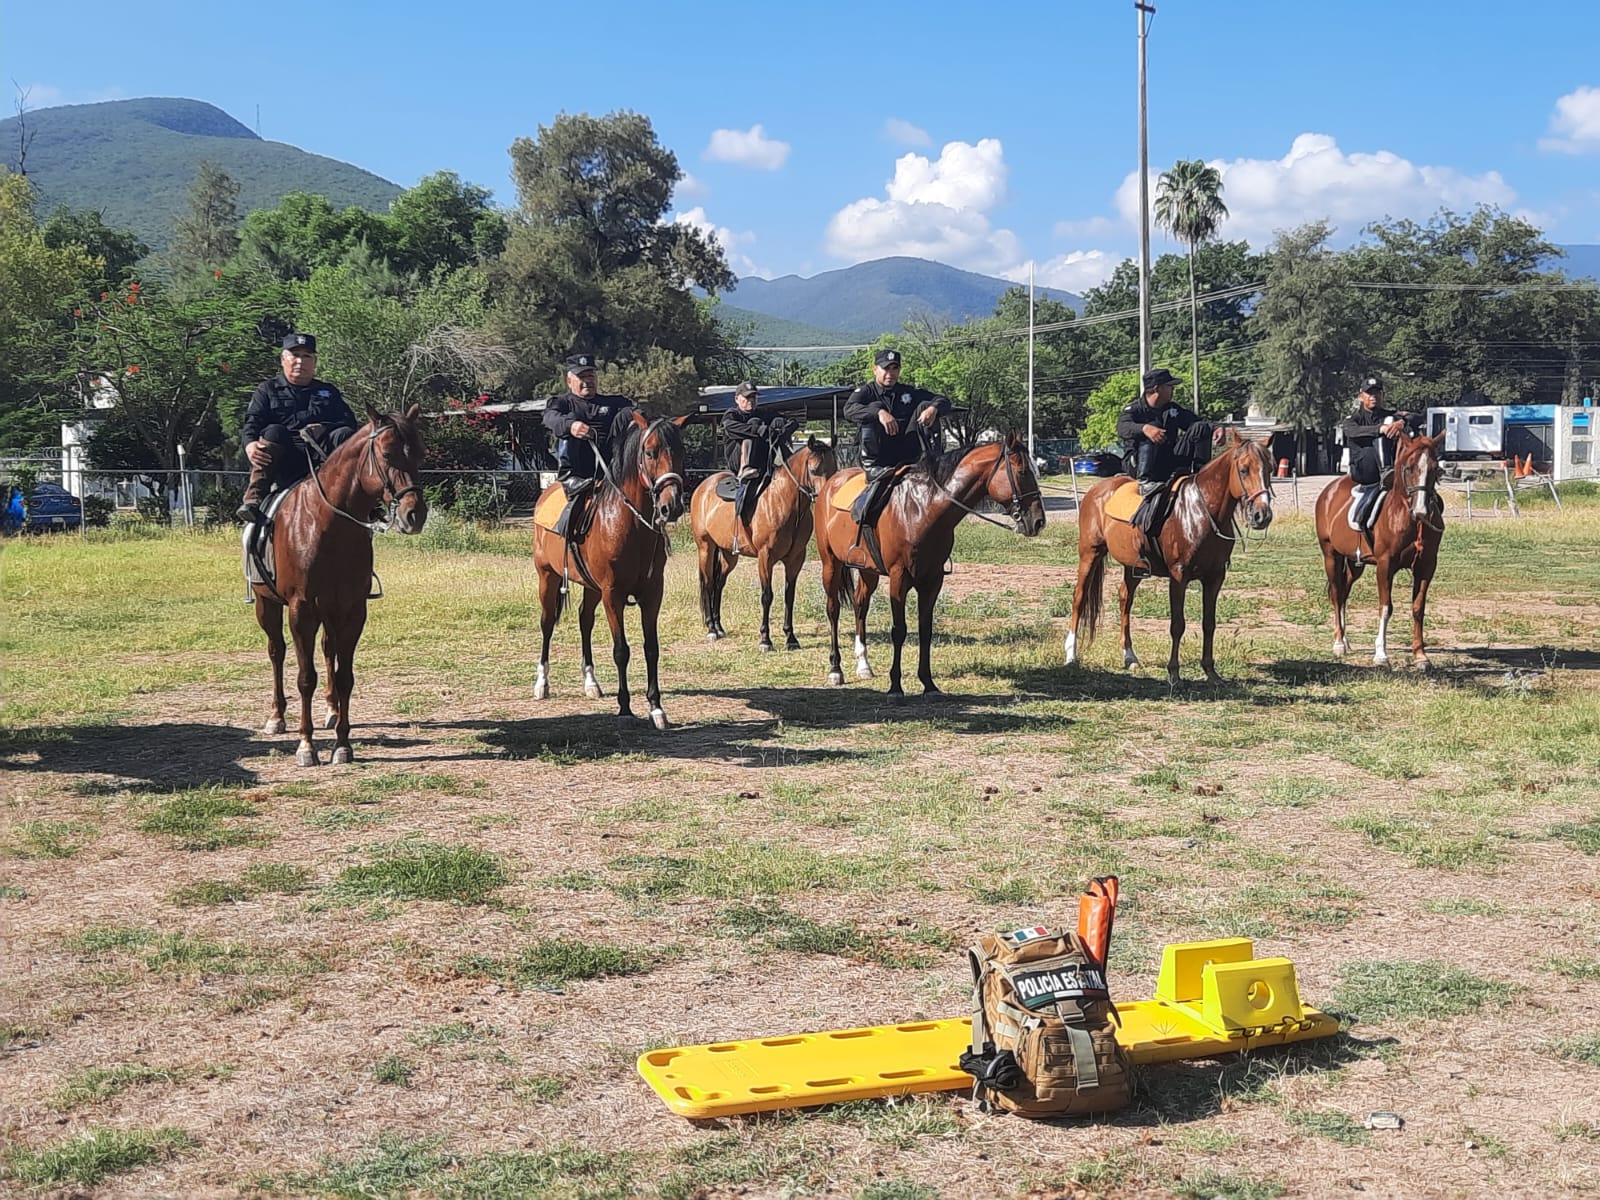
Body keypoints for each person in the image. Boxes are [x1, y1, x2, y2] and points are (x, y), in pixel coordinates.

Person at [237, 333, 360, 523]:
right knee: (274, 431)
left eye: (307, 356)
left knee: (345, 434)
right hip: (284, 459)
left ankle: (360, 497)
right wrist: (250, 445)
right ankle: (254, 499)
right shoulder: (267, 390)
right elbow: (253, 422)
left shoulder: (329, 392)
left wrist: (324, 427)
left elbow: (350, 422)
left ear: (314, 362)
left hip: (322, 460)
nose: (300, 361)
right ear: (283, 359)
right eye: (295, 355)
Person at [1116, 367, 1214, 571]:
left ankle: (1200, 473)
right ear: (1157, 389)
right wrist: (1144, 428)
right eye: (1170, 386)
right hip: (1139, 463)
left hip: (1168, 460)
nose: (1173, 390)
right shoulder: (1134, 409)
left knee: (1201, 427)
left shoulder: (1173, 409)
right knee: (1152, 433)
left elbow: (1195, 422)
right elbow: (1122, 428)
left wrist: (1216, 429)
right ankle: (1145, 481)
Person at [843, 348, 951, 526]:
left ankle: (934, 460)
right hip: (878, 453)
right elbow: (848, 410)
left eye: (895, 369)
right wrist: (878, 413)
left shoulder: (907, 392)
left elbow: (943, 400)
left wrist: (933, 409)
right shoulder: (866, 392)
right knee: (872, 410)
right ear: (875, 369)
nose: (890, 373)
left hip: (905, 450)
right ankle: (871, 468)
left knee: (926, 405)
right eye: (886, 368)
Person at [542, 352, 636, 538]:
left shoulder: (614, 403)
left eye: (591, 376)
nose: (587, 381)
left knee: (627, 415)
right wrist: (571, 426)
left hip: (612, 465)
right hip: (579, 469)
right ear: (569, 381)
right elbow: (550, 418)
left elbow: (636, 412)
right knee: (567, 423)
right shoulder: (562, 402)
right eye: (581, 377)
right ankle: (570, 480)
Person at [1341, 376, 1418, 530]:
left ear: (1382, 395)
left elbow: (1417, 416)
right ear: (1361, 396)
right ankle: (1386, 473)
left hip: (1395, 472)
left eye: (1377, 393)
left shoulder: (1390, 415)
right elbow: (1351, 431)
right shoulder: (1353, 419)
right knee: (1382, 435)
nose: (1373, 396)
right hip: (1365, 472)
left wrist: (1402, 422)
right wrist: (1380, 429)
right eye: (1369, 393)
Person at [721, 381, 795, 520]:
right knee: (754, 424)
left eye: (754, 397)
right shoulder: (731, 415)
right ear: (737, 399)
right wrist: (758, 429)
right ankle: (745, 469)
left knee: (775, 423)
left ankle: (789, 464)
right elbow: (729, 427)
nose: (751, 400)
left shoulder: (763, 413)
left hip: (763, 461)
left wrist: (786, 427)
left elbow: (788, 420)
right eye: (747, 397)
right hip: (738, 460)